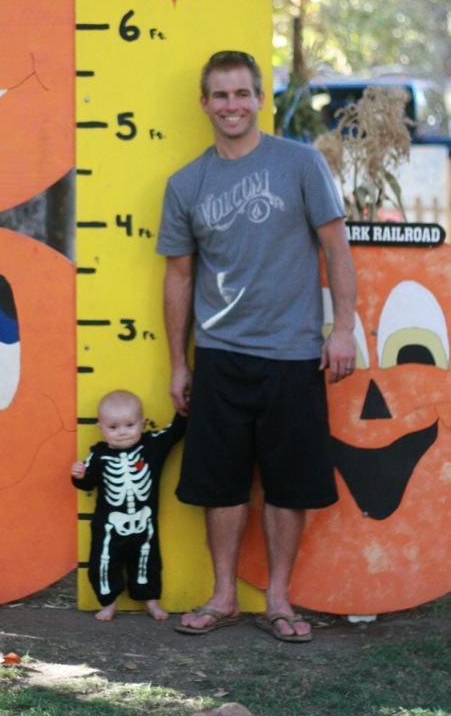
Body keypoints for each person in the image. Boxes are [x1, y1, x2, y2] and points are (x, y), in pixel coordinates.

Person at [157, 50, 356, 641]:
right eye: (220, 95)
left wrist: (343, 327)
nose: (232, 105)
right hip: (220, 353)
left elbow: (336, 246)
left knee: (288, 485)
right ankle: (223, 598)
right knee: (219, 484)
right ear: (204, 103)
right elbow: (179, 277)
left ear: (260, 99)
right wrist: (178, 362)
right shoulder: (186, 184)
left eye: (242, 93)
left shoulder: (300, 163)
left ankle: (278, 601)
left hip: (294, 353)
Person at [71, 389, 186, 621]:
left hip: (144, 522)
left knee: (148, 561)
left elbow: (174, 432)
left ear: (142, 423)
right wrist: (80, 476)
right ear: (101, 428)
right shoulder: (99, 455)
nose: (122, 432)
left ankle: (151, 602)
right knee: (103, 563)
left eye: (130, 425)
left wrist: (185, 407)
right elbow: (87, 484)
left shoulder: (151, 447)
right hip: (109, 526)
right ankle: (108, 603)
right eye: (113, 427)